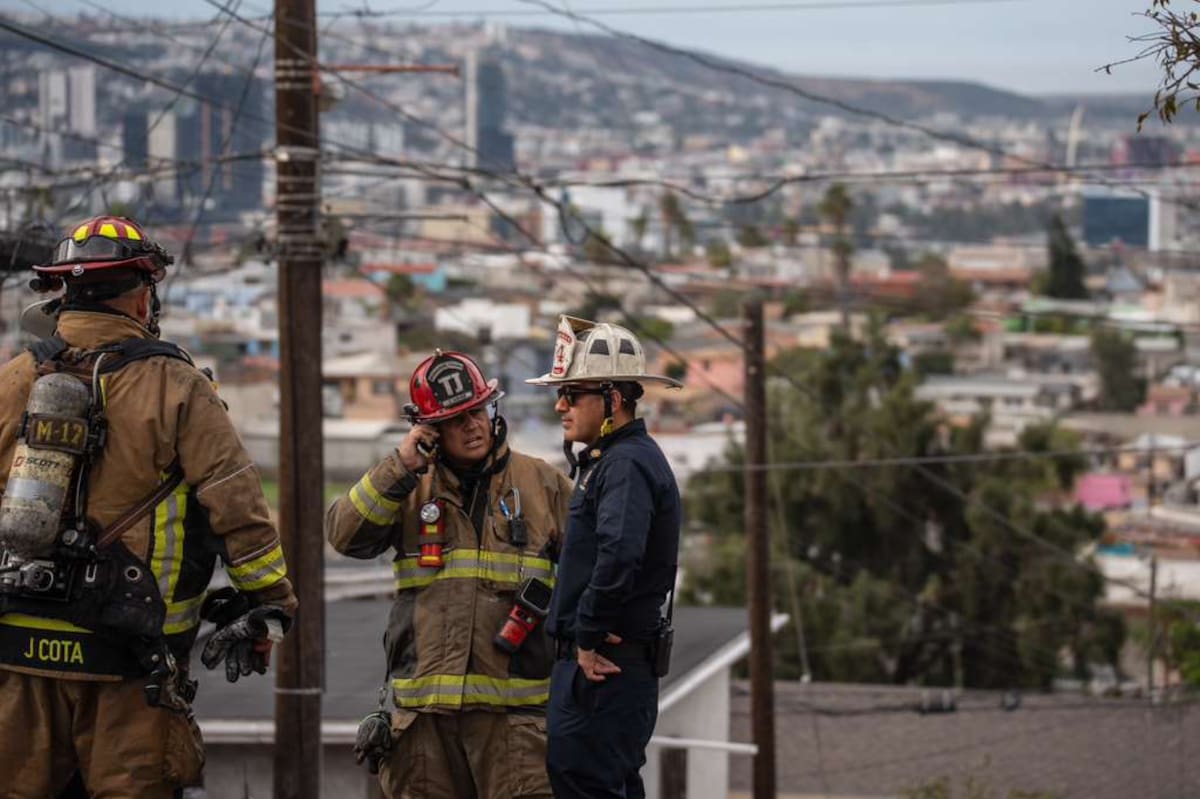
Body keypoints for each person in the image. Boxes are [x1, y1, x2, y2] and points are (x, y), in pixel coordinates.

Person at [0, 215, 296, 798]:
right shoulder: (178, 386)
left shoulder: (14, 378)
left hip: (16, 645)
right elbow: (237, 505)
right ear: (140, 297)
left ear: (64, 293)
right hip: (129, 652)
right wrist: (271, 604)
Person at [327, 350, 573, 799]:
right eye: (457, 419)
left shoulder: (543, 485)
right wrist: (399, 468)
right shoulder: (407, 487)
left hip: (514, 726)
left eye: (477, 411)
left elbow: (591, 576)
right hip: (423, 727)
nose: (473, 426)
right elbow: (344, 535)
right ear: (429, 429)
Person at [525, 315, 683, 799]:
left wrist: (589, 632)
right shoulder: (612, 462)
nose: (560, 406)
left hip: (603, 669)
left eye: (573, 395)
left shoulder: (626, 464)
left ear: (613, 400)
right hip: (601, 671)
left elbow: (618, 555)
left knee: (588, 782)